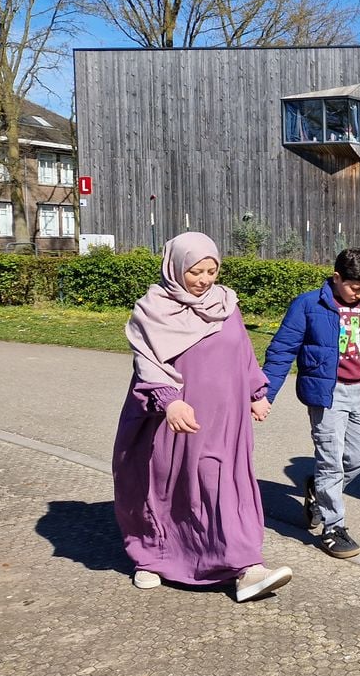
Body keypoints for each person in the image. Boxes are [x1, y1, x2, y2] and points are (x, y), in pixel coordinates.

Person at [113, 232, 291, 603]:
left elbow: (242, 352)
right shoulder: (154, 308)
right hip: (173, 419)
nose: (205, 279)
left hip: (226, 417)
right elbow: (147, 361)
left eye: (212, 270)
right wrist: (169, 400)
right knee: (165, 487)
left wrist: (257, 393)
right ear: (176, 267)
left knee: (225, 484)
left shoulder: (225, 304)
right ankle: (153, 558)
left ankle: (246, 567)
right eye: (196, 271)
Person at [262, 248, 360, 558]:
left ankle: (319, 490)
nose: (359, 294)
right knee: (330, 462)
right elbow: (281, 351)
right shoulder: (308, 305)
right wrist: (264, 395)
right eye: (354, 287)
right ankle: (333, 527)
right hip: (326, 394)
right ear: (336, 278)